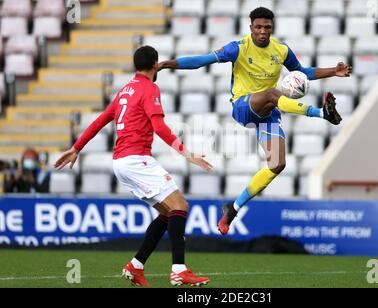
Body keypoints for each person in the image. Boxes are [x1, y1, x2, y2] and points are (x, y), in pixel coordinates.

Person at [157, 7, 353, 235]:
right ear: (250, 27)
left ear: (272, 28)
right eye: (258, 27)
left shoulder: (280, 50)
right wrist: (166, 64)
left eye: (267, 27)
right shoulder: (238, 48)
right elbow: (201, 61)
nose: (262, 31)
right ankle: (321, 113)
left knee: (277, 164)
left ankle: (233, 208)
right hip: (243, 106)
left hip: (269, 112)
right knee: (272, 92)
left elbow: (301, 72)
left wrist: (333, 71)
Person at [54, 46, 213, 288]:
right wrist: (186, 153)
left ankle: (136, 266)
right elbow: (159, 127)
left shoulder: (124, 91)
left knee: (168, 213)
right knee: (180, 205)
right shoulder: (150, 88)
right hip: (137, 159)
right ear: (155, 64)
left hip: (121, 163)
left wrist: (77, 147)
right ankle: (179, 271)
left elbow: (100, 120)